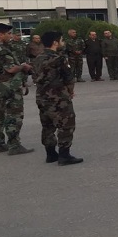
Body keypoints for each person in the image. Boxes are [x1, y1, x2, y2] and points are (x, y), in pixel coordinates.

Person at [0, 23, 34, 154]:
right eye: (8, 33)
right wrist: (23, 67)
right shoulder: (2, 50)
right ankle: (14, 145)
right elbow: (10, 68)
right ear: (0, 34)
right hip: (8, 85)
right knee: (14, 114)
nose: (10, 36)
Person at [33, 31, 83, 165]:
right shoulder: (59, 58)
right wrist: (70, 91)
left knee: (47, 125)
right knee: (66, 124)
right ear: (55, 42)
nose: (63, 42)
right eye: (61, 40)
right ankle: (64, 155)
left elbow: (34, 76)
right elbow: (68, 77)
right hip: (58, 96)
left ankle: (50, 153)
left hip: (42, 96)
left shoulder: (38, 58)